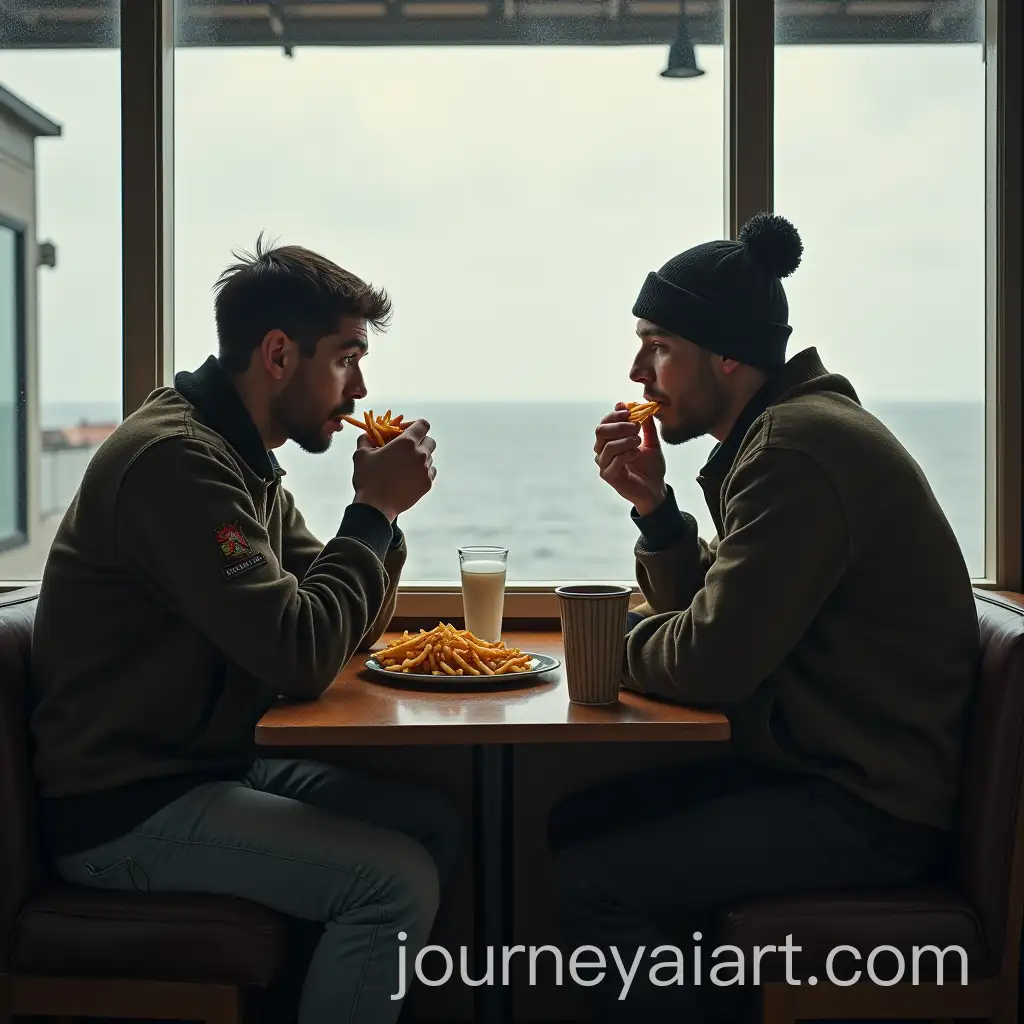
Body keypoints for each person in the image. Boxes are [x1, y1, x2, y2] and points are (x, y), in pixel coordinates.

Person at [547, 213, 981, 1021]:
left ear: (728, 356)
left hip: (867, 807)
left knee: (589, 885)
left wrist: (606, 643)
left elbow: (713, 657)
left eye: (659, 346)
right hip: (824, 770)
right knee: (577, 821)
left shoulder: (795, 450)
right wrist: (657, 513)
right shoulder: (785, 433)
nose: (639, 370)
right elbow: (726, 610)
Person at [29, 236, 460, 1024]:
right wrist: (374, 512)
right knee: (393, 881)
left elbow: (344, 629)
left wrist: (379, 525)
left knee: (432, 819)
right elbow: (300, 655)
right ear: (277, 354)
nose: (360, 386)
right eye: (347, 358)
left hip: (205, 768)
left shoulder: (239, 455)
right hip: (128, 807)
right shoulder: (178, 465)